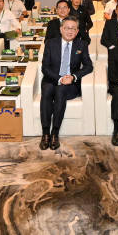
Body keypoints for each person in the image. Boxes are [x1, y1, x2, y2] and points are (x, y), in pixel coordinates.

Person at [39, 16, 94, 150]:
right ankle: (45, 133)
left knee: (61, 90)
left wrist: (73, 77)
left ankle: (55, 133)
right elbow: (45, 68)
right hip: (52, 79)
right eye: (67, 28)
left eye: (73, 29)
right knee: (47, 90)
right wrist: (59, 78)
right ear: (61, 29)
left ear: (77, 31)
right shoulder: (50, 43)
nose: (70, 31)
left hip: (70, 84)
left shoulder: (81, 45)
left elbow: (89, 66)